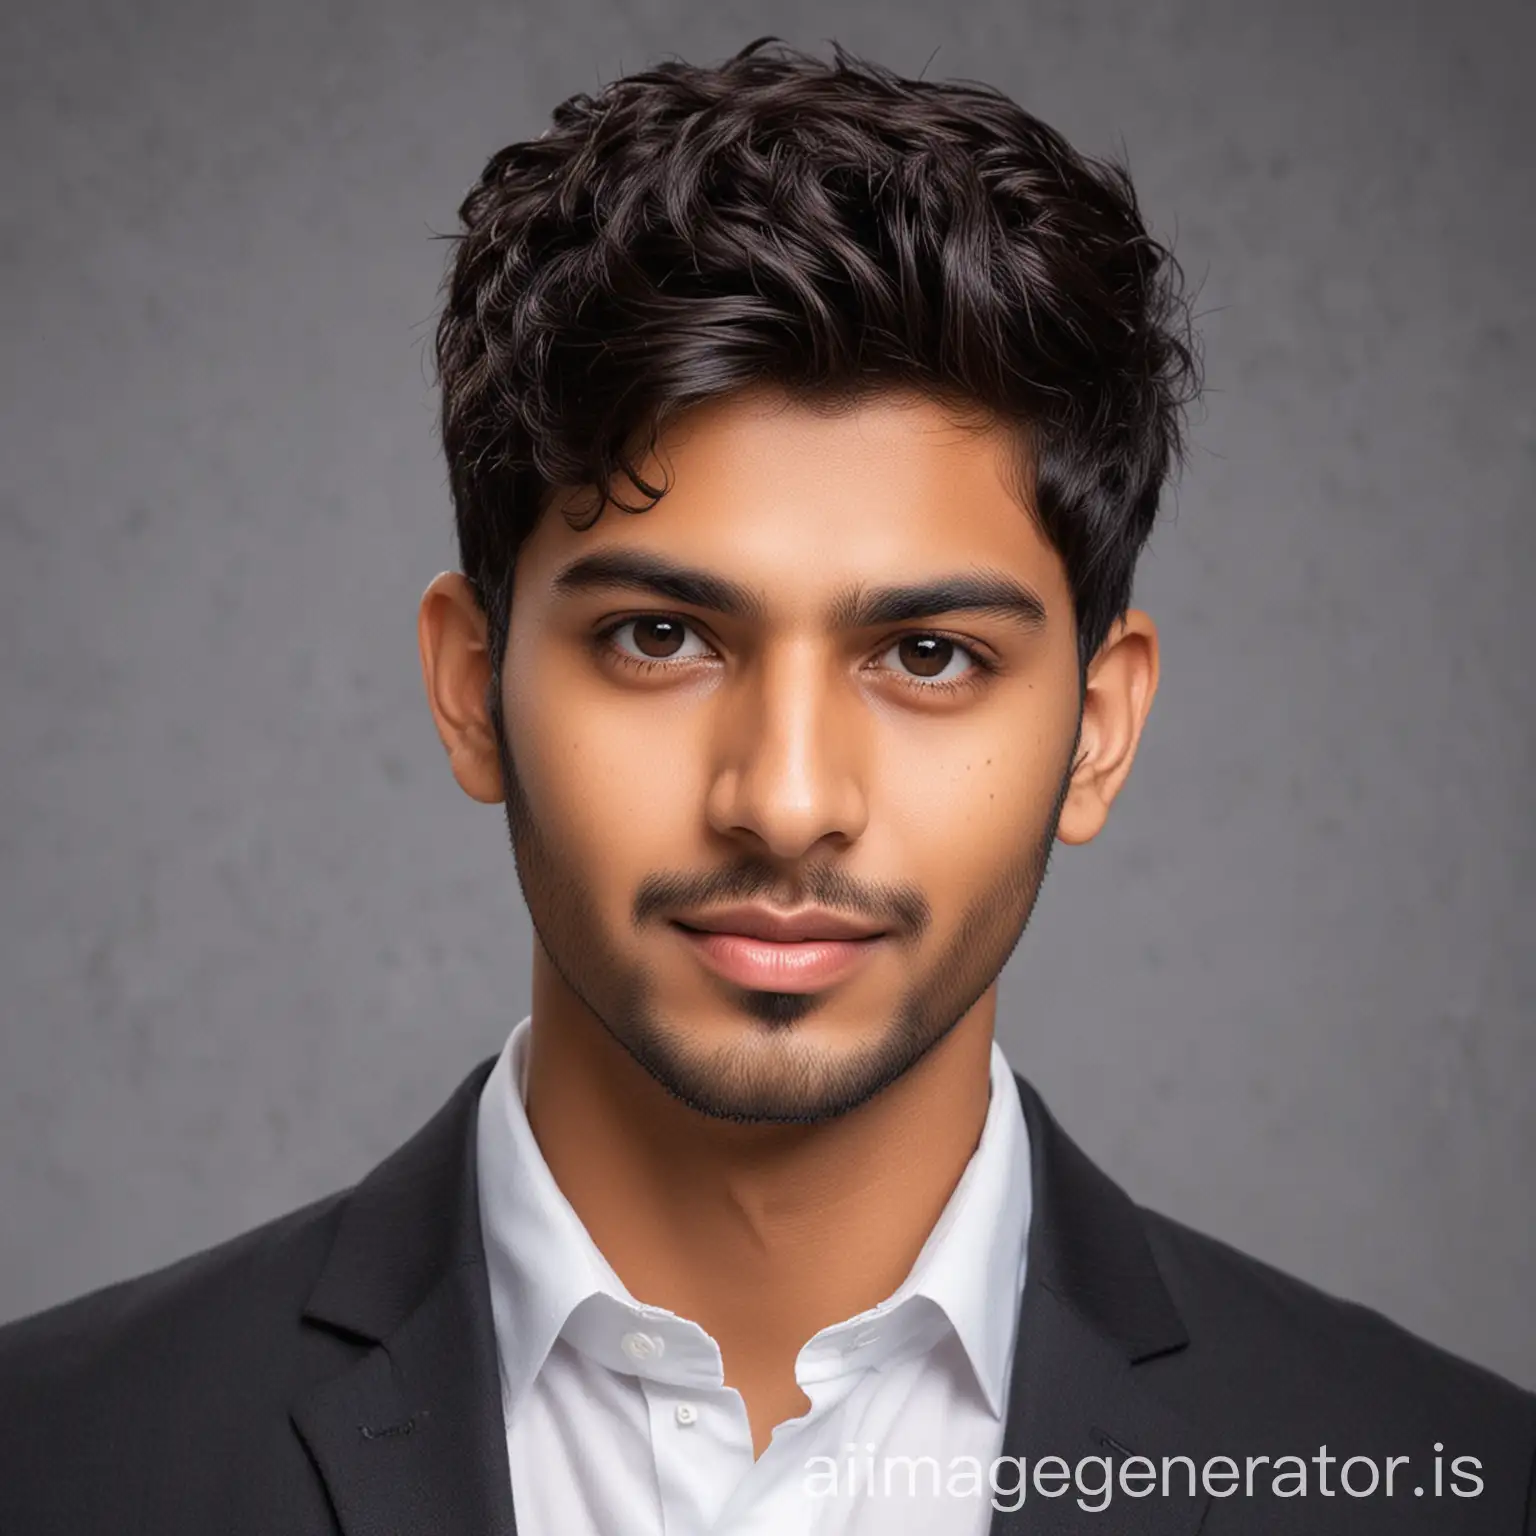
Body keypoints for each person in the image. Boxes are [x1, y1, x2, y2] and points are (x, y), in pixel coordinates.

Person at [0, 37, 1530, 1536]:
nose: (787, 801)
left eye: (927, 655)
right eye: (660, 637)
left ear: (1101, 728)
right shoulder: (54, 1463)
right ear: (473, 685)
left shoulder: (1445, 1481)